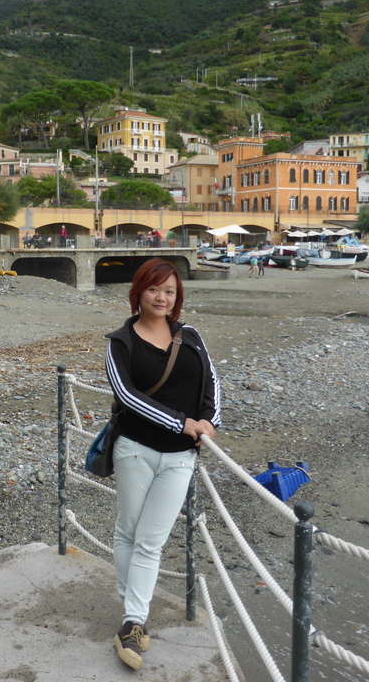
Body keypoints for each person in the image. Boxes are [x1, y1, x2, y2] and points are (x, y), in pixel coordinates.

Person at [104, 258, 220, 670]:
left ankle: (133, 618)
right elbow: (128, 396)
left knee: (150, 540)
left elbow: (211, 379)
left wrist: (209, 420)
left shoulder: (190, 335)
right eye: (155, 289)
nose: (162, 297)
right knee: (129, 532)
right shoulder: (120, 342)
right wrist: (180, 421)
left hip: (181, 456)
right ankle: (133, 614)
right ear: (139, 292)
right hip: (134, 449)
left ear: (177, 296)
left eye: (170, 291)